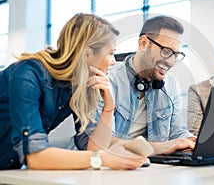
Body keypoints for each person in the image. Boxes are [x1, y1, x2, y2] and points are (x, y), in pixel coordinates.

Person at [0, 13, 148, 170]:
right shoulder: (28, 74)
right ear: (86, 54)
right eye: (110, 53)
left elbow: (92, 148)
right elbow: (35, 157)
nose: (113, 62)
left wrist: (108, 107)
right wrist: (103, 158)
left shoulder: (80, 85)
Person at [101, 15, 195, 155]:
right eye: (166, 51)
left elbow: (176, 131)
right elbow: (96, 141)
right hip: (103, 166)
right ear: (143, 43)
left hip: (146, 166)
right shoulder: (108, 79)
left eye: (176, 54)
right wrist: (158, 148)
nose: (170, 61)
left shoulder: (171, 85)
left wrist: (196, 143)